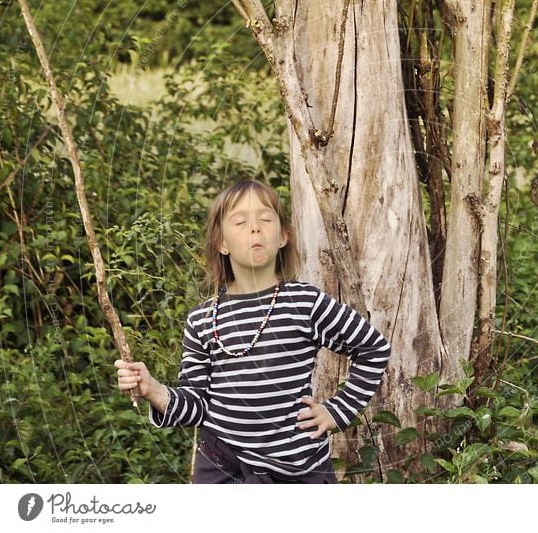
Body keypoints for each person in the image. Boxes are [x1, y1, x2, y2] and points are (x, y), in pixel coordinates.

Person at [115, 179, 391, 483]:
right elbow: (197, 407)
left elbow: (374, 349)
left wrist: (336, 411)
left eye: (266, 218)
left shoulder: (304, 303)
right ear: (221, 243)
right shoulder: (202, 320)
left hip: (297, 472)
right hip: (223, 470)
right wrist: (152, 390)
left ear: (283, 236)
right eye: (240, 221)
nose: (255, 228)